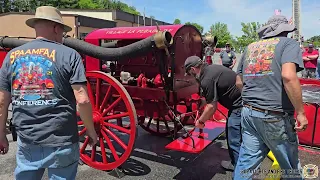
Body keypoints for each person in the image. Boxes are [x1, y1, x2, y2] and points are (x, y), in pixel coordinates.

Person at [0, 6, 98, 180]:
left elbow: (2, 101)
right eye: (62, 31)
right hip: (63, 140)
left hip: (27, 139)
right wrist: (90, 131)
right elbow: (82, 100)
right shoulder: (70, 55)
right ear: (55, 28)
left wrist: (1, 133)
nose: (62, 36)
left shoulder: (11, 56)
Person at [235, 15, 308, 180]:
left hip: (248, 113)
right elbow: (289, 77)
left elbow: (239, 82)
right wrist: (301, 112)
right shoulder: (288, 44)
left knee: (246, 163)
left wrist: (254, 97)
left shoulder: (250, 47)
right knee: (290, 167)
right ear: (285, 31)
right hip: (275, 116)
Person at [184, 56, 242, 172]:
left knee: (234, 138)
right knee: (236, 136)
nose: (191, 76)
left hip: (239, 106)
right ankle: (238, 164)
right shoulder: (212, 70)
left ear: (193, 69)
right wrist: (203, 102)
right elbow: (212, 95)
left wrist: (200, 121)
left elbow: (211, 107)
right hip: (242, 102)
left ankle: (239, 169)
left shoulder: (206, 79)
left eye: (190, 73)